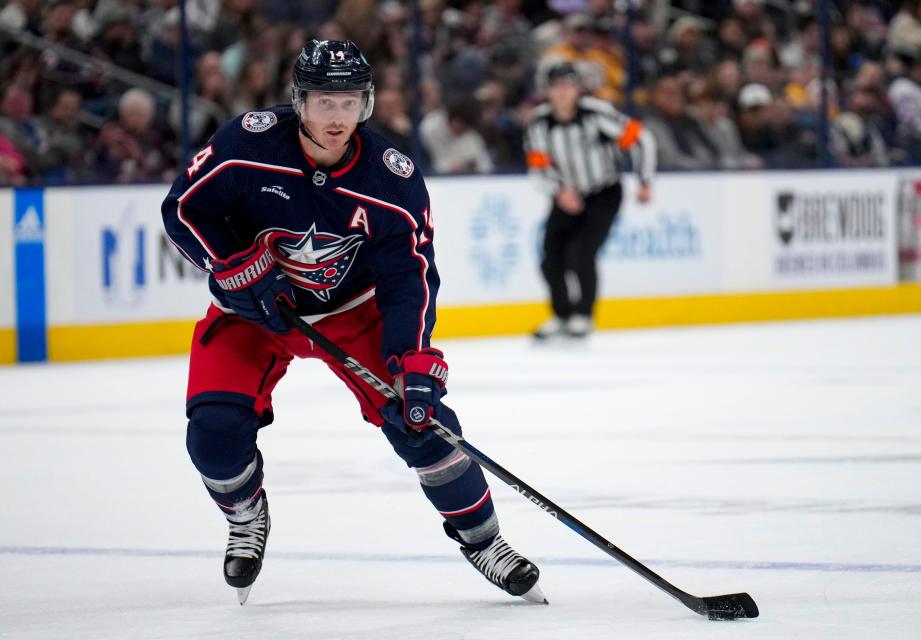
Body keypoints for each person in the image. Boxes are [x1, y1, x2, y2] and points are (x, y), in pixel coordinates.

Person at [160, 39, 545, 606]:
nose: (336, 118)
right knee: (213, 431)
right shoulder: (246, 143)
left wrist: (412, 359)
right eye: (322, 102)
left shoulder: (392, 179)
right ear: (299, 102)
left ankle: (484, 541)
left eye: (348, 103)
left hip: (352, 314)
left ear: (365, 104)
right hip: (252, 313)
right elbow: (183, 209)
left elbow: (408, 277)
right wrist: (233, 265)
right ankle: (245, 514)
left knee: (425, 423)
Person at [524, 61, 657, 339]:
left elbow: (642, 138)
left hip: (603, 193)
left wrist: (644, 181)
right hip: (565, 195)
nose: (562, 93)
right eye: (556, 86)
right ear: (548, 91)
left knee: (581, 254)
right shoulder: (539, 122)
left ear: (577, 89)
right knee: (550, 258)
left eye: (567, 85)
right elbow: (537, 167)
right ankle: (562, 315)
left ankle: (583, 315)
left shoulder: (596, 115)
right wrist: (559, 191)